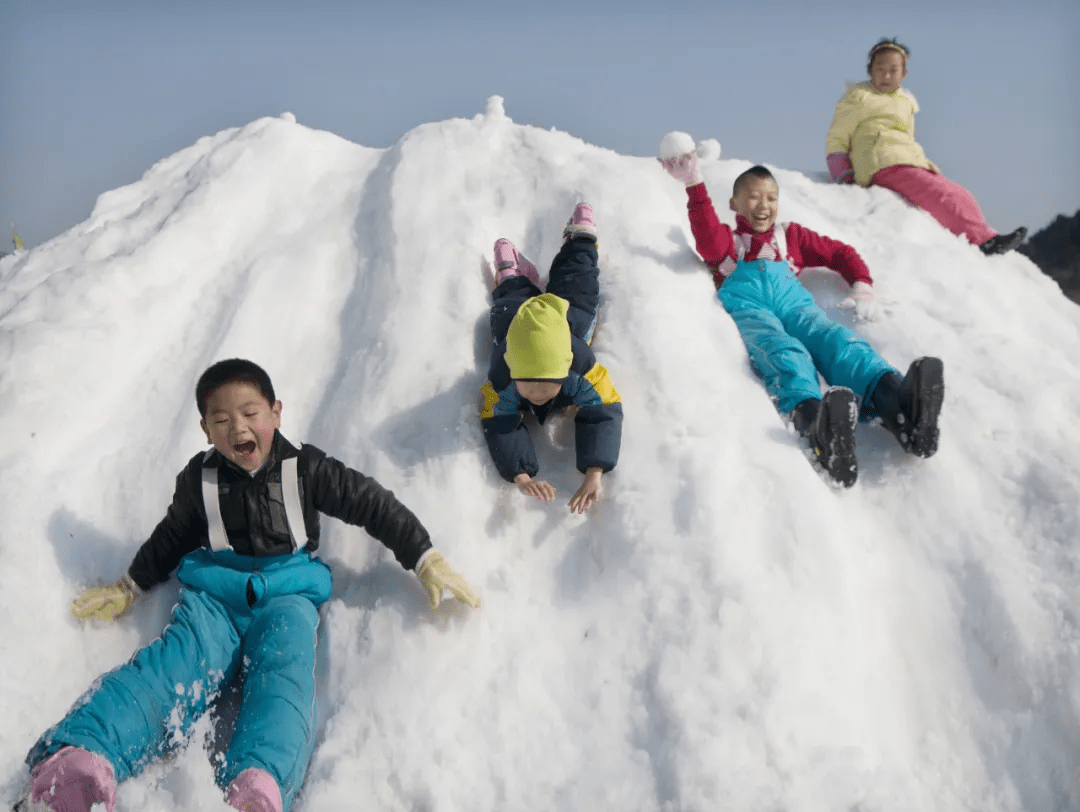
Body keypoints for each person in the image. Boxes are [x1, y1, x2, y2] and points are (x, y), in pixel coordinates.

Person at [17, 359, 481, 812]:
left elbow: (372, 505)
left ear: (276, 413)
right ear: (205, 429)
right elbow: (171, 536)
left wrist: (424, 557)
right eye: (221, 419)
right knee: (172, 669)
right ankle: (80, 757)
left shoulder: (307, 469)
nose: (238, 428)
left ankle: (258, 783)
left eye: (250, 414)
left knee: (284, 677)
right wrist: (131, 584)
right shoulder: (199, 480)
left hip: (288, 597)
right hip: (214, 599)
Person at [659, 155, 944, 487]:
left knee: (836, 341)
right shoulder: (728, 244)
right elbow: (707, 241)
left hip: (797, 308)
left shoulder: (788, 237)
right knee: (784, 352)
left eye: (771, 197)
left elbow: (839, 253)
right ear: (734, 203)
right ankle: (816, 427)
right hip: (754, 313)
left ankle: (899, 405)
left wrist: (861, 282)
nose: (763, 205)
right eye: (752, 196)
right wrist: (695, 185)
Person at [480, 203, 623, 513]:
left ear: (564, 373)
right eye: (527, 388)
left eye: (546, 389)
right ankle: (511, 274)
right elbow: (499, 423)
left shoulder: (580, 371)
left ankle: (580, 239)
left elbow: (604, 411)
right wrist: (520, 475)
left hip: (566, 323)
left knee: (579, 285)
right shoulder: (504, 377)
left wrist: (594, 471)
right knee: (507, 305)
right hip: (515, 327)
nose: (538, 398)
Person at [826, 37, 1026, 256]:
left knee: (960, 193)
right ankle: (983, 242)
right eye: (879, 69)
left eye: (893, 70)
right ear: (870, 70)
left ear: (904, 74)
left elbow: (907, 137)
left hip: (909, 160)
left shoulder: (905, 101)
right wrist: (843, 173)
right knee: (939, 195)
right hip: (879, 160)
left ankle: (984, 234)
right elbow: (838, 136)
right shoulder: (859, 96)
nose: (886, 76)